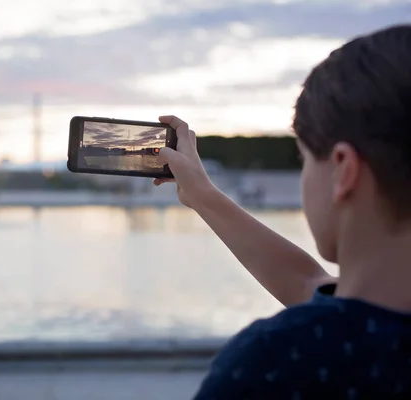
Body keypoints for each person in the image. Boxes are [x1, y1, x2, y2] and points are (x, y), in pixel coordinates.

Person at [154, 24, 411, 399]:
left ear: (343, 170)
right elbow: (310, 285)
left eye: (304, 158)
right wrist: (203, 196)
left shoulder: (275, 362)